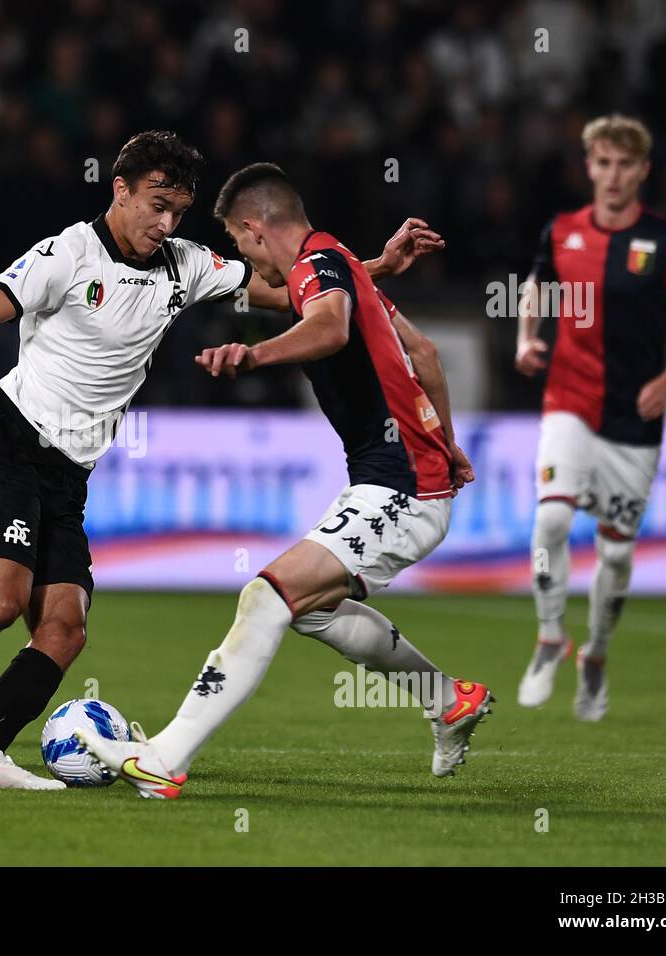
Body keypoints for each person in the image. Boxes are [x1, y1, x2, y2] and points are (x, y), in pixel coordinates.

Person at [0, 132, 445, 788]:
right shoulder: (69, 253)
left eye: (178, 211)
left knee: (64, 629)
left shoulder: (187, 264)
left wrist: (375, 268)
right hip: (11, 450)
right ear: (120, 190)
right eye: (156, 204)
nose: (166, 222)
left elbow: (292, 292)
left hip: (67, 478)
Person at [76, 162, 488, 797]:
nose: (245, 261)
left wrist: (252, 352)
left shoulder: (317, 267)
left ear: (253, 228)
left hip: (400, 487)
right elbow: (425, 355)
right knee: (312, 613)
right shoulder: (339, 265)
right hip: (403, 478)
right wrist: (449, 443)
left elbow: (331, 328)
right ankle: (447, 698)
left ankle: (164, 760)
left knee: (264, 598)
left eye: (240, 246)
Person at [515, 115, 666, 721]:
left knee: (617, 557)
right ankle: (551, 635)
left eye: (624, 165)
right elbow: (536, 283)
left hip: (634, 419)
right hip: (569, 402)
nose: (612, 175)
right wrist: (527, 337)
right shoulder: (563, 231)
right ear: (589, 167)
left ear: (641, 171)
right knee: (552, 519)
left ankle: (596, 656)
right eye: (602, 163)